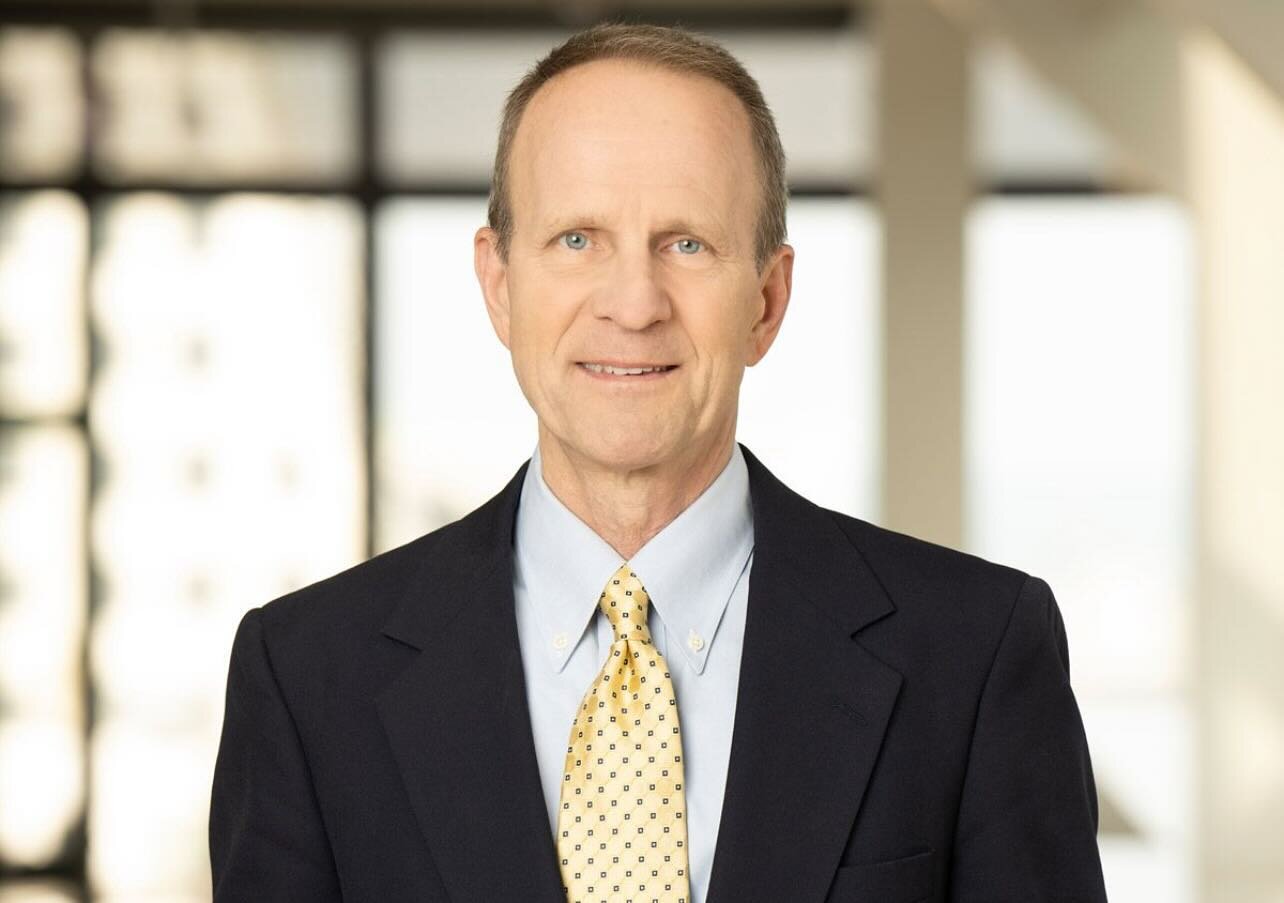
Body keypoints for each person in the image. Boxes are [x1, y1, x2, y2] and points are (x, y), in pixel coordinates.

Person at [209, 21, 1107, 903]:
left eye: (687, 243)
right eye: (577, 239)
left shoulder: (975, 654)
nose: (634, 303)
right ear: (500, 284)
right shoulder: (306, 679)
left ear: (766, 298)